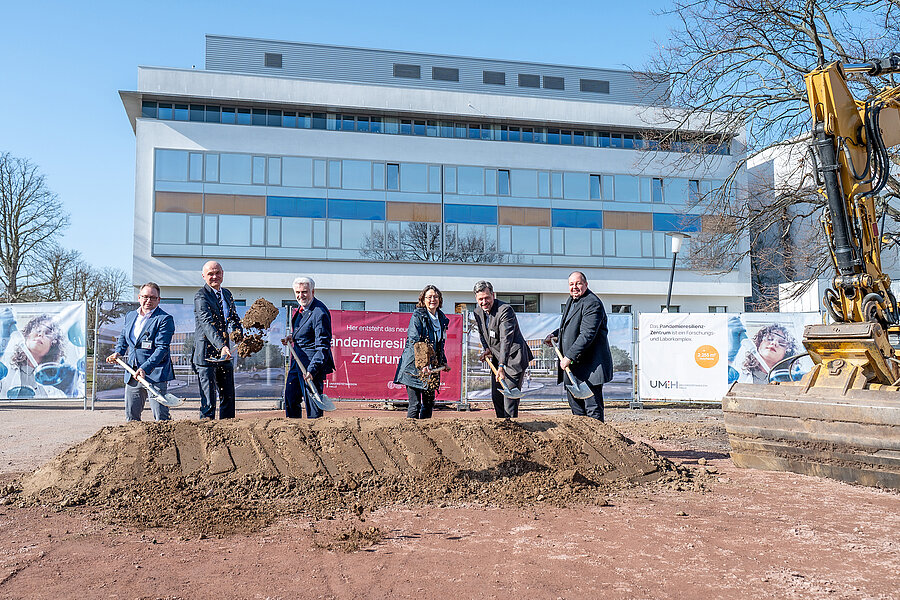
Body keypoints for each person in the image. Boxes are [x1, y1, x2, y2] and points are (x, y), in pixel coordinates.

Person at [543, 271, 613, 421]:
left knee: (592, 411)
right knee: (577, 412)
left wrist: (569, 356)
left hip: (590, 369)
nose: (574, 287)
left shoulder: (592, 303)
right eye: (571, 284)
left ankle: (597, 442)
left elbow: (587, 334)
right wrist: (556, 335)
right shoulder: (572, 300)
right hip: (573, 369)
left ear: (586, 284)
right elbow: (569, 326)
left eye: (578, 283)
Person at [106, 282, 175, 421]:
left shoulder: (164, 319)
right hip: (133, 373)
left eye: (153, 297)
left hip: (155, 373)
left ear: (158, 300)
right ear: (139, 297)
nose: (148, 300)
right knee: (131, 417)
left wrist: (145, 368)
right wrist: (118, 352)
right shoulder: (131, 316)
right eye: (145, 297)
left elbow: (162, 348)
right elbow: (124, 338)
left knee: (161, 417)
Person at [473, 280, 533, 418]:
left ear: (493, 295)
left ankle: (513, 431)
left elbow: (506, 339)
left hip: (513, 359)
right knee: (497, 398)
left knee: (509, 401)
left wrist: (501, 365)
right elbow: (483, 334)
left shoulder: (505, 310)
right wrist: (487, 348)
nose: (484, 302)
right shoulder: (478, 312)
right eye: (480, 299)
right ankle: (502, 431)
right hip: (496, 359)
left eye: (487, 298)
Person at [192, 260, 243, 419]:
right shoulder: (201, 296)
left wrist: (238, 332)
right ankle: (206, 435)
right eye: (210, 274)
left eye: (217, 273)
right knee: (209, 402)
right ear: (203, 276)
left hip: (224, 354)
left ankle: (227, 432)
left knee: (228, 397)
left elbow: (233, 318)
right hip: (206, 354)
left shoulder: (227, 294)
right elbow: (206, 323)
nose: (215, 276)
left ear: (222, 273)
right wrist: (221, 346)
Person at [393, 285, 451, 419]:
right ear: (423, 300)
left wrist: (443, 362)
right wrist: (422, 364)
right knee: (415, 404)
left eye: (435, 297)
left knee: (429, 403)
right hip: (414, 366)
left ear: (440, 299)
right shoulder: (418, 316)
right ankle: (410, 435)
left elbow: (438, 345)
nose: (433, 299)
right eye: (429, 297)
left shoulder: (442, 319)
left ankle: (425, 435)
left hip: (431, 368)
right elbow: (415, 341)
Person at [281, 276, 334, 419]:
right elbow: (305, 331)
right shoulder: (301, 309)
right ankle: (294, 431)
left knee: (313, 407)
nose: (300, 295)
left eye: (304, 292)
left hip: (310, 367)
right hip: (296, 362)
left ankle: (315, 436)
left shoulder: (319, 312)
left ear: (313, 292)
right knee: (290, 399)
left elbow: (323, 346)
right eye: (297, 292)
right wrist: (293, 336)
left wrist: (312, 369)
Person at [0, 311, 77, 399]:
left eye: (47, 333)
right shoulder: (6, 369)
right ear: (27, 335)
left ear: (53, 345)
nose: (41, 334)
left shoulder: (54, 383)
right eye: (38, 330)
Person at [728, 319, 800, 384]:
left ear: (787, 354)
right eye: (770, 338)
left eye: (781, 343)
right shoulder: (739, 374)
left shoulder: (790, 382)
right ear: (759, 343)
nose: (774, 343)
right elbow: (719, 379)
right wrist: (731, 356)